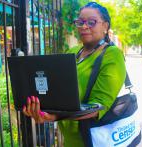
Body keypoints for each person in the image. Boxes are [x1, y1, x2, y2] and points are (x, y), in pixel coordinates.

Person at [23, 2, 126, 147]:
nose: (84, 26)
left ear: (105, 26)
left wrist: (56, 116)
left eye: (92, 22)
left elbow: (98, 106)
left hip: (93, 140)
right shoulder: (73, 51)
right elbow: (58, 90)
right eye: (80, 22)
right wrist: (40, 107)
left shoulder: (112, 55)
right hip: (69, 140)